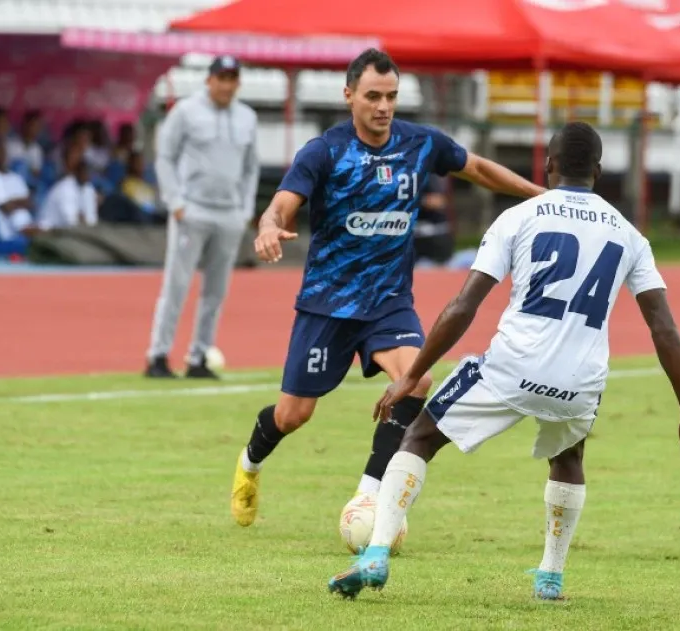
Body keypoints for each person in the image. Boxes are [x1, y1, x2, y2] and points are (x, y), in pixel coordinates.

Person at [326, 121, 680, 602]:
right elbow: (663, 328)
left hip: (512, 366)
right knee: (568, 456)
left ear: (548, 166)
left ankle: (376, 555)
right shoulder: (629, 235)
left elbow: (463, 307)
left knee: (420, 436)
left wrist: (412, 375)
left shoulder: (520, 217)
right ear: (597, 171)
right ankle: (551, 578)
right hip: (580, 380)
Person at [229, 48, 544, 530]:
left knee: (417, 381)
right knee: (293, 415)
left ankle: (369, 496)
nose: (383, 106)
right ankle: (250, 462)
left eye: (391, 97)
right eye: (373, 96)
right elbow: (283, 203)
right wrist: (270, 225)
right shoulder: (324, 151)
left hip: (388, 302)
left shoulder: (420, 143)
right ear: (349, 95)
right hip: (329, 304)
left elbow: (478, 168)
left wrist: (542, 196)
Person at [144, 54, 259, 379]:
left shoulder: (247, 117)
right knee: (176, 284)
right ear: (209, 80)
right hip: (192, 209)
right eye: (221, 78)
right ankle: (158, 355)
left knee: (216, 291)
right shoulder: (186, 111)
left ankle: (199, 357)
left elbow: (251, 168)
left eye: (232, 79)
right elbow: (165, 157)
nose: (226, 85)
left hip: (229, 214)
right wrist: (175, 201)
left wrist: (245, 210)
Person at [38, 159, 98, 230]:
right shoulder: (65, 187)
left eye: (90, 172)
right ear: (76, 172)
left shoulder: (89, 189)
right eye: (85, 172)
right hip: (47, 228)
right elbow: (69, 220)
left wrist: (84, 220)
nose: (87, 175)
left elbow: (92, 219)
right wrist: (81, 219)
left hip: (65, 230)